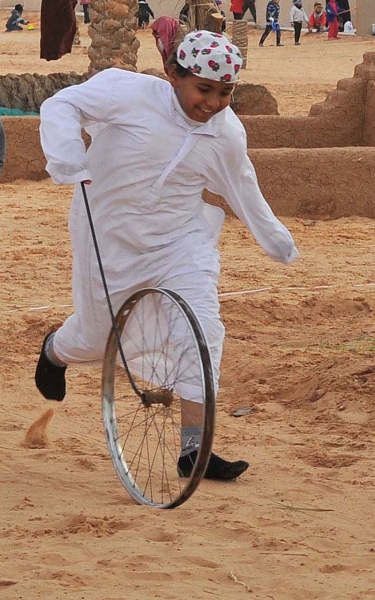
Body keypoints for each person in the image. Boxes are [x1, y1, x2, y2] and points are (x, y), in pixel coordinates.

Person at [36, 30, 299, 481]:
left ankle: (194, 450)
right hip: (108, 234)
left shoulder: (226, 134)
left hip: (180, 242)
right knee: (99, 336)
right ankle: (57, 350)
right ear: (172, 74)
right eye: (204, 89)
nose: (213, 103)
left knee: (203, 330)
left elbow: (244, 189)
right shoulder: (128, 92)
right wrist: (66, 157)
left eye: (225, 93)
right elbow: (61, 105)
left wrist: (277, 241)